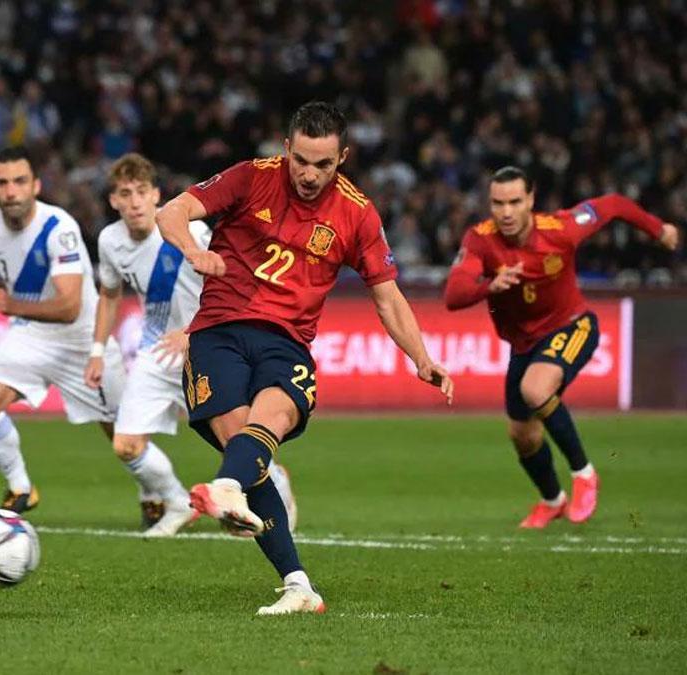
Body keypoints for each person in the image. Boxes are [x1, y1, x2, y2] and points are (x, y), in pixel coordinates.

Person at [156, 101, 454, 615]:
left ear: (343, 157)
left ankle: (229, 493)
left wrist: (421, 357)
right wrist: (192, 249)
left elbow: (387, 294)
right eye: (302, 161)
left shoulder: (357, 213)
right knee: (250, 454)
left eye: (324, 165)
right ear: (287, 147)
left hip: (287, 343)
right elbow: (171, 211)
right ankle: (299, 585)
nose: (310, 175)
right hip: (218, 333)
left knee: (263, 427)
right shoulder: (251, 177)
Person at [445, 166, 680, 528]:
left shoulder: (562, 229)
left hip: (573, 326)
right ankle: (552, 500)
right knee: (522, 435)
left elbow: (614, 204)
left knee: (535, 389)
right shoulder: (480, 239)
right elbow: (454, 294)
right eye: (497, 203)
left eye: (514, 202)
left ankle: (584, 473)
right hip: (524, 346)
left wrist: (658, 228)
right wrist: (488, 287)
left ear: (531, 200)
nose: (506, 212)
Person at [87, 152, 298, 537]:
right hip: (157, 351)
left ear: (156, 196)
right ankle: (174, 501)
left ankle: (277, 484)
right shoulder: (109, 241)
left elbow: (230, 284)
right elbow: (110, 295)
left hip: (205, 346)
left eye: (141, 192)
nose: (134, 202)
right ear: (113, 200)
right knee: (126, 444)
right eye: (124, 193)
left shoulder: (192, 235)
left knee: (236, 442)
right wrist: (98, 351)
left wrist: (191, 332)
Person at [0, 146, 126, 516]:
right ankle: (20, 488)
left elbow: (69, 306)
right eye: (1, 183)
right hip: (31, 334)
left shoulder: (58, 227)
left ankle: (160, 495)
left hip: (82, 338)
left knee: (125, 440)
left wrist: (13, 305)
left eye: (19, 182)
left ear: (36, 186)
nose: (10, 191)